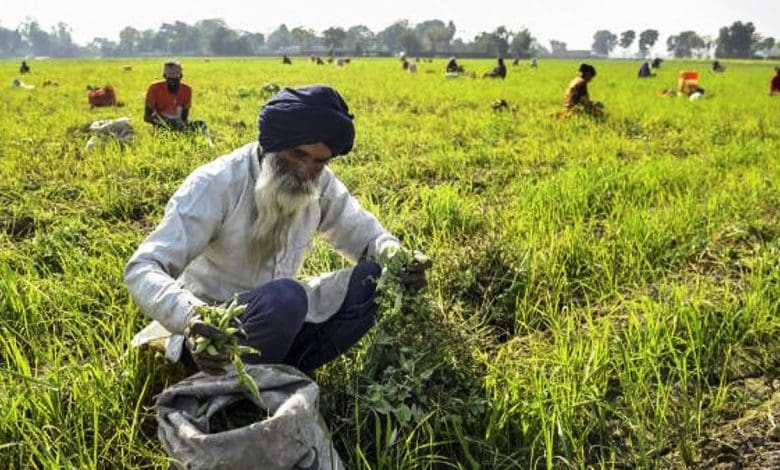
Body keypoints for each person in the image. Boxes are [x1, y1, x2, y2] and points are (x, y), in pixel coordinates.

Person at [125, 85, 431, 375]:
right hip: (213, 336)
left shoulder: (319, 182)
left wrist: (396, 257)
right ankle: (235, 377)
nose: (305, 171)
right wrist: (192, 316)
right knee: (286, 298)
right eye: (297, 155)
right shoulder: (217, 183)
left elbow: (367, 237)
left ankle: (278, 370)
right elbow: (143, 267)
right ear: (271, 144)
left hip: (282, 319)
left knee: (372, 279)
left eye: (319, 161)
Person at [144, 62, 205, 132]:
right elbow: (147, 117)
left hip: (179, 124)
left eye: (176, 79)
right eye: (169, 79)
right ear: (164, 76)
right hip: (162, 126)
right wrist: (165, 123)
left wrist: (180, 125)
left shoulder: (187, 90)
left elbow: (184, 117)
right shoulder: (154, 88)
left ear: (181, 76)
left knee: (201, 123)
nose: (172, 83)